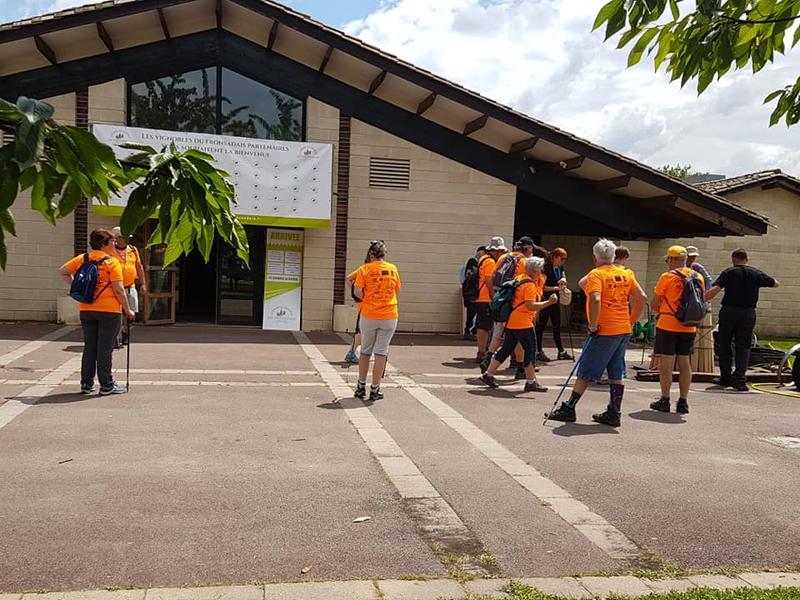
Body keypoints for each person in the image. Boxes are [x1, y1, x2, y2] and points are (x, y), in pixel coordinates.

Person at [548, 239, 647, 427]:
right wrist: (631, 320)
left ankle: (569, 407)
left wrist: (593, 325)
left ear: (594, 258)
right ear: (614, 256)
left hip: (604, 329)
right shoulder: (626, 273)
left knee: (585, 370)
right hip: (622, 328)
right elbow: (641, 297)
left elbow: (595, 298)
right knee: (616, 371)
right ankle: (614, 411)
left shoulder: (597, 274)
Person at [59, 229, 135, 396]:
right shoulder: (111, 262)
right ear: (104, 244)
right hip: (109, 310)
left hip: (87, 308)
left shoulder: (83, 258)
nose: (114, 244)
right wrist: (127, 309)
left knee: (90, 347)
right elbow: (119, 290)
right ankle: (106, 384)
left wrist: (77, 289)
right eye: (112, 242)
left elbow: (63, 271)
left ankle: (86, 384)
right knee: (105, 348)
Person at [706, 248, 780, 391]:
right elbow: (775, 283)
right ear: (746, 259)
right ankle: (739, 379)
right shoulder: (755, 273)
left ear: (733, 259)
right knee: (743, 346)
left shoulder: (729, 272)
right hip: (748, 312)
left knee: (724, 344)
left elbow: (714, 290)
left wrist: (703, 299)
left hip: (729, 311)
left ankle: (725, 377)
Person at [480, 257, 556, 392]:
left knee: (506, 349)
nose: (542, 272)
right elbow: (530, 305)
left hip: (512, 321)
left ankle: (488, 374)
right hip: (523, 323)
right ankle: (531, 381)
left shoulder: (519, 278)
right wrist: (549, 302)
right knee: (530, 350)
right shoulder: (529, 285)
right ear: (535, 270)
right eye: (540, 269)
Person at [649, 245, 705, 414]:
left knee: (666, 363)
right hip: (689, 325)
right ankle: (683, 401)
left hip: (667, 324)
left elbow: (655, 303)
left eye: (668, 259)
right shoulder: (698, 276)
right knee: (684, 362)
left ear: (672, 260)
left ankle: (665, 400)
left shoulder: (667, 277)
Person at [480, 236, 536, 377]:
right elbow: (525, 282)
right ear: (528, 248)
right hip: (517, 304)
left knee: (499, 333)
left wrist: (496, 297)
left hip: (502, 300)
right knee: (519, 337)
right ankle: (520, 367)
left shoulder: (503, 257)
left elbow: (493, 277)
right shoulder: (525, 262)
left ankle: (488, 357)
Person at [352, 241, 401, 401]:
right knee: (381, 351)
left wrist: (367, 299)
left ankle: (361, 386)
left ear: (371, 255)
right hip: (389, 314)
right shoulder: (393, 269)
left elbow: (358, 291)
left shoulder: (365, 269)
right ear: (384, 255)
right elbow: (397, 289)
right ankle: (375, 389)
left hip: (369, 314)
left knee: (366, 351)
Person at [111, 227, 146, 348]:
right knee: (117, 314)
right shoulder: (110, 251)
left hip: (130, 286)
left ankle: (126, 334)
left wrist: (143, 284)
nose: (127, 239)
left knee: (130, 313)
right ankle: (115, 338)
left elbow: (139, 267)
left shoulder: (133, 250)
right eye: (123, 237)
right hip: (114, 288)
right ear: (116, 238)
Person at [536, 247, 571, 362]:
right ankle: (538, 351)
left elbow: (563, 275)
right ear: (555, 257)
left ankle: (561, 351)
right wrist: (556, 288)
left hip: (556, 299)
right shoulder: (546, 268)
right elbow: (542, 287)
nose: (563, 261)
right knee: (541, 325)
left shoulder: (560, 267)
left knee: (557, 325)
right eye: (562, 259)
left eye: (565, 259)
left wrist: (563, 280)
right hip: (546, 299)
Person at [475, 236, 506, 363]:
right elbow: (488, 280)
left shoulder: (482, 259)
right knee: (484, 326)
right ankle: (482, 352)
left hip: (481, 297)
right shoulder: (490, 262)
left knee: (483, 325)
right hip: (485, 298)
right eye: (501, 252)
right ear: (496, 251)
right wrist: (494, 296)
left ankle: (482, 351)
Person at [459, 246, 486, 340]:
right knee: (472, 313)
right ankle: (470, 331)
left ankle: (471, 331)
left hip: (472, 292)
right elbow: (471, 277)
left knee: (473, 312)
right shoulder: (473, 262)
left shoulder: (478, 262)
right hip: (472, 292)